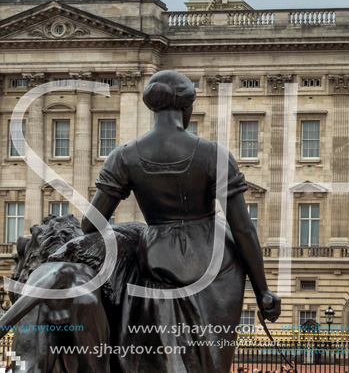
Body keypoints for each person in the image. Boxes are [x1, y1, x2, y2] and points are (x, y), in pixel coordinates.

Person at [82, 70, 281, 372]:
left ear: (153, 108)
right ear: (186, 108)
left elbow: (90, 226)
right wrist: (263, 290)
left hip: (155, 259)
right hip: (213, 263)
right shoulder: (213, 154)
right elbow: (242, 228)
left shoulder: (122, 157)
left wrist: (133, 235)